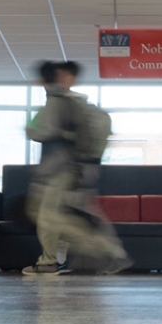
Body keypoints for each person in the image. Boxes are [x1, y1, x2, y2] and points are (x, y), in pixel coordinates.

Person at [23, 60, 129, 276]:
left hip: (60, 170)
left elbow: (40, 131)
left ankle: (103, 251)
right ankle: (53, 260)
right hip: (70, 170)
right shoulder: (72, 102)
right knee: (49, 215)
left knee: (49, 217)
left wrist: (34, 130)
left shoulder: (61, 100)